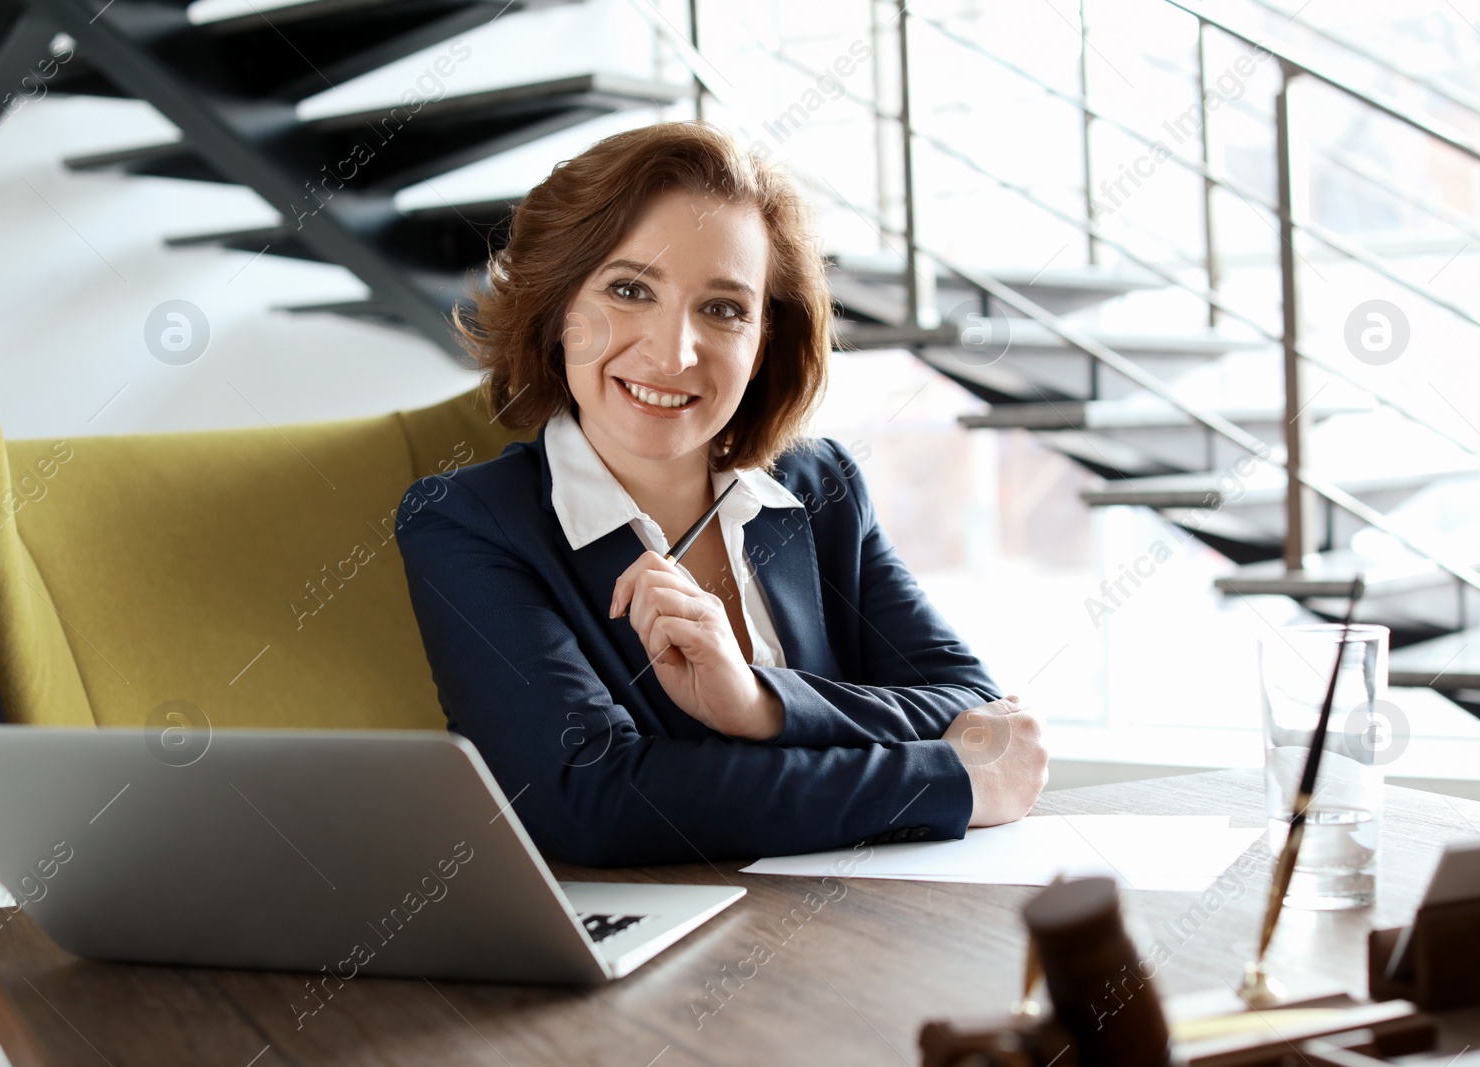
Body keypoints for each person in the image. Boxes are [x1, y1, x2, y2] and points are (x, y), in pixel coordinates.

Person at [395, 121, 1048, 867]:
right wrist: (940, 778)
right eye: (630, 289)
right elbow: (590, 800)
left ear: (764, 338)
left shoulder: (820, 486)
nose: (673, 354)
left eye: (724, 308)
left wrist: (759, 705)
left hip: (858, 925)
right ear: (557, 307)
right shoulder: (470, 522)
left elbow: (971, 705)